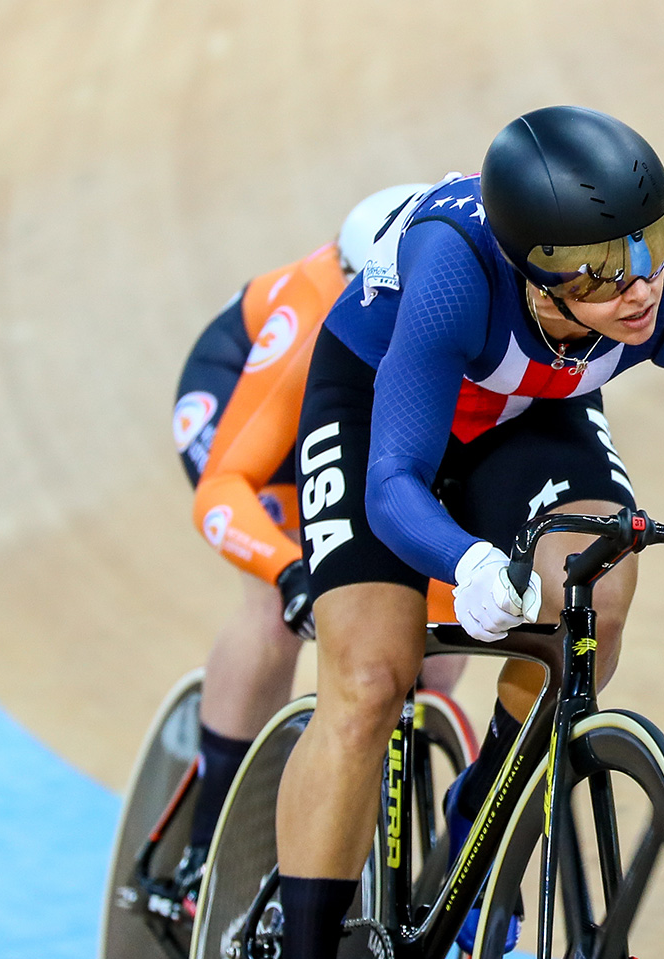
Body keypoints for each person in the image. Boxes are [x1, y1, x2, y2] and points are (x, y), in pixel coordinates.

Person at [262, 107, 664, 959]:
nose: (638, 282)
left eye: (646, 243)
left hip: (534, 412)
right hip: (379, 407)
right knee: (373, 673)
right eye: (600, 270)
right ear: (529, 269)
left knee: (599, 584)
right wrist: (466, 562)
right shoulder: (451, 267)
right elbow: (394, 483)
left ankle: (484, 802)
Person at [163, 183, 461, 904]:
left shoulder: (449, 306)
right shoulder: (318, 311)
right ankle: (208, 843)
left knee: (441, 645)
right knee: (278, 608)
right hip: (251, 414)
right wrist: (287, 566)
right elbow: (224, 490)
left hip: (355, 421)